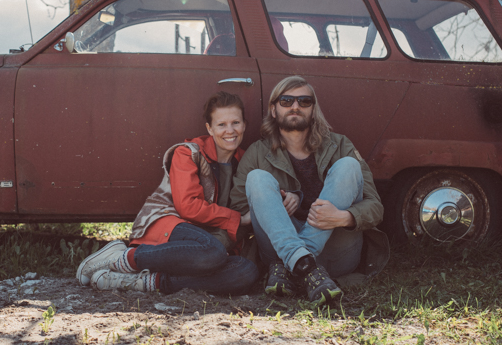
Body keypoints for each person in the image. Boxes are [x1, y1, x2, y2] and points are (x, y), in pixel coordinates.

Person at [76, 92, 259, 296]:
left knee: (245, 272)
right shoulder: (188, 153)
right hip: (170, 225)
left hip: (205, 244)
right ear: (209, 128)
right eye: (221, 124)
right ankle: (123, 257)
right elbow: (188, 206)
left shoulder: (246, 161)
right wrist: (239, 219)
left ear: (244, 125)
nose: (230, 131)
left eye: (236, 122)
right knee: (213, 252)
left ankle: (145, 282)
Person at [230, 75, 388, 305]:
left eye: (304, 101)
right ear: (273, 110)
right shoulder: (257, 152)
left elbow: (375, 207)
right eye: (286, 101)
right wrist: (279, 200)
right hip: (279, 246)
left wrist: (344, 217)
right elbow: (241, 208)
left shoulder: (340, 145)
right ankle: (306, 267)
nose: (295, 106)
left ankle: (298, 263)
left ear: (313, 110)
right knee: (257, 179)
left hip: (335, 250)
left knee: (348, 166)